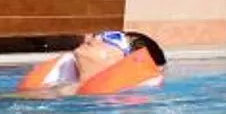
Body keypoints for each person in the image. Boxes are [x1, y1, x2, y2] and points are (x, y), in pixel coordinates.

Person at [20, 30, 167, 95]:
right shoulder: (53, 87)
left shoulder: (117, 106)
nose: (95, 38)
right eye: (100, 34)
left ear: (126, 60)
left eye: (112, 37)